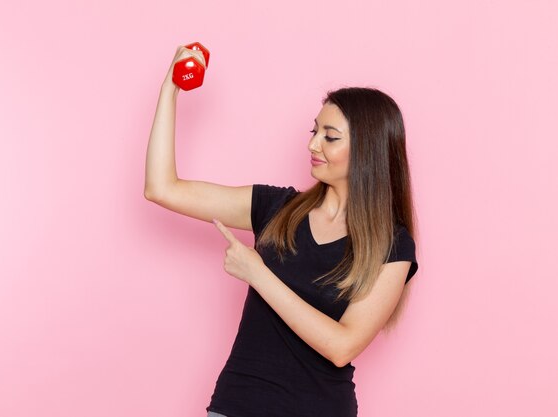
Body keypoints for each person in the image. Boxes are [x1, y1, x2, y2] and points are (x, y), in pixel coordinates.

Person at [145, 45, 419, 417]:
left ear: (368, 150)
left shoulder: (393, 246)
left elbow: (342, 346)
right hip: (236, 405)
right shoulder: (275, 208)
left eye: (330, 136)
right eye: (314, 130)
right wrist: (170, 89)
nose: (312, 144)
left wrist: (258, 274)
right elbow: (162, 188)